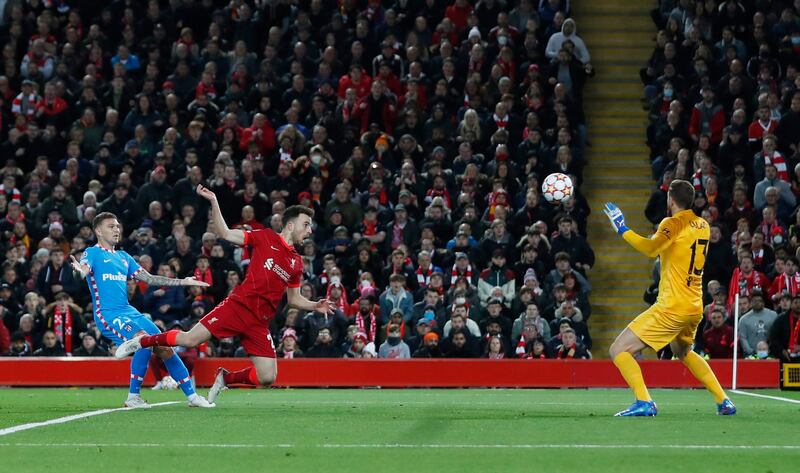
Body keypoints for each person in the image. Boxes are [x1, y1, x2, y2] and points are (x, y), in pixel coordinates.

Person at [115, 185, 335, 404]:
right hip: (237, 307)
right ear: (290, 224)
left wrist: (315, 305)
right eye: (306, 224)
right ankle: (143, 341)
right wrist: (213, 201)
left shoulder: (296, 262)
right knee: (190, 339)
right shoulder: (265, 237)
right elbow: (226, 233)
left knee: (267, 376)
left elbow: (294, 299)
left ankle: (225, 378)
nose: (310, 230)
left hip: (259, 322)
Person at [603, 179, 735, 416]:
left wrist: (623, 228)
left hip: (672, 306)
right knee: (682, 351)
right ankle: (723, 400)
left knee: (618, 349)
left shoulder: (673, 223)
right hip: (694, 305)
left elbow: (651, 249)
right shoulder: (703, 224)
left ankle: (644, 401)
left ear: (670, 200)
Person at [71, 212, 214, 408]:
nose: (116, 230)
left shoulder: (123, 257)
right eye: (111, 226)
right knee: (143, 338)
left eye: (117, 226)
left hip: (129, 311)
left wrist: (182, 281)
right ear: (98, 231)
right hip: (108, 314)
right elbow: (84, 270)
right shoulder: (92, 253)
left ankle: (193, 397)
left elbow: (150, 279)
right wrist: (78, 270)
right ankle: (133, 396)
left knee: (164, 346)